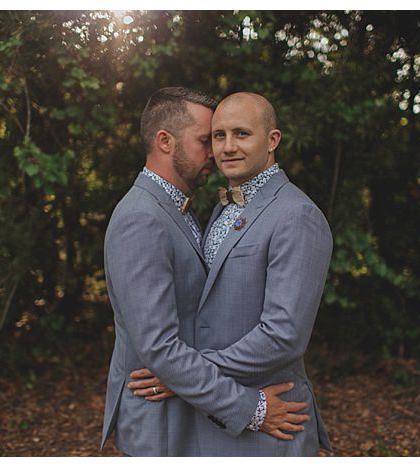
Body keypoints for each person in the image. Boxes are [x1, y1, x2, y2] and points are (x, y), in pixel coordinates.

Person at [101, 87, 308, 456]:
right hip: (159, 425)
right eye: (207, 139)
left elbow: (282, 331)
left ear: (272, 140)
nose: (217, 151)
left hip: (198, 421)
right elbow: (159, 347)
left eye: (238, 134)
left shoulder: (185, 210)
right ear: (166, 142)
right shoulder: (141, 218)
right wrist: (252, 409)